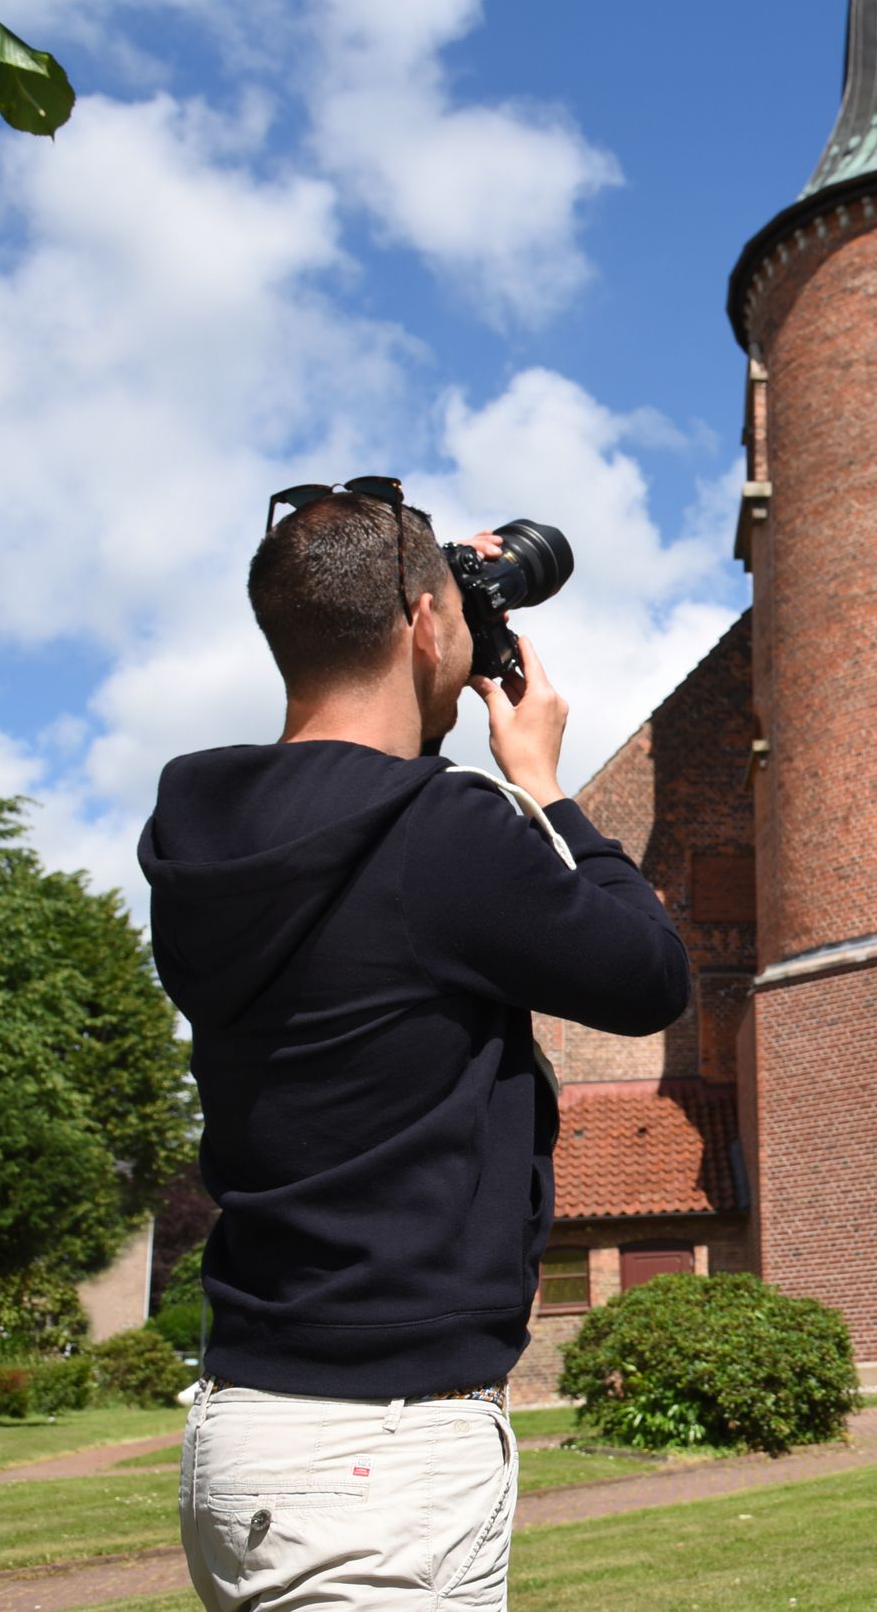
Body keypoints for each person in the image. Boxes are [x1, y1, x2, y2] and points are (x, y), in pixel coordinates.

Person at [140, 486, 690, 1612]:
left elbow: (354, 817)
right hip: (378, 1458)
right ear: (425, 625)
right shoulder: (443, 832)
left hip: (242, 1424)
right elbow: (650, 977)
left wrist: (418, 596)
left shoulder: (194, 834)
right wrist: (544, 783)